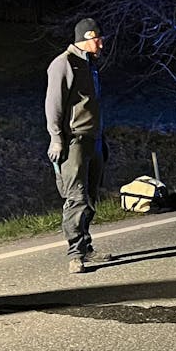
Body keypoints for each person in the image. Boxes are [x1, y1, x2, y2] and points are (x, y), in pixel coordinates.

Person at [46, 16, 111, 273]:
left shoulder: (90, 65)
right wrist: (56, 138)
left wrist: (101, 137)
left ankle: (87, 247)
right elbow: (54, 105)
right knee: (76, 197)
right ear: (86, 38)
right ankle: (75, 255)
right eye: (98, 39)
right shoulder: (63, 64)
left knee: (91, 197)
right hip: (73, 141)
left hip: (93, 139)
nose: (101, 44)